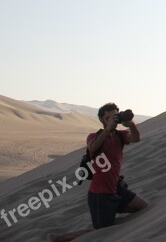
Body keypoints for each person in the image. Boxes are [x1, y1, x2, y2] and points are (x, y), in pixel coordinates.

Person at [49, 103, 147, 242]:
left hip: (116, 188)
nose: (112, 119)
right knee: (100, 233)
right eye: (108, 117)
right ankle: (60, 238)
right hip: (100, 195)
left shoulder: (120, 136)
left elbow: (136, 138)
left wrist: (130, 124)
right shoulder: (93, 137)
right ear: (102, 120)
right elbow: (93, 148)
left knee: (142, 206)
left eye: (115, 115)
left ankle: (114, 208)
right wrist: (107, 129)